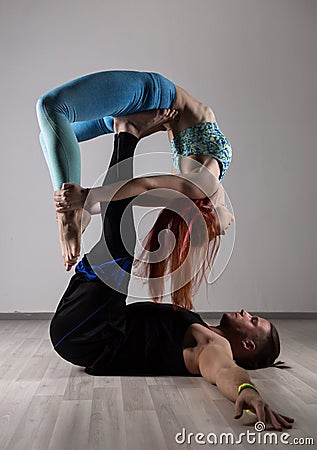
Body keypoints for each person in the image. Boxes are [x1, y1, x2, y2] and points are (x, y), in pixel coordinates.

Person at [50, 129, 293, 432]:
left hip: (89, 336)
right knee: (117, 245)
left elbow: (226, 372)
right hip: (83, 325)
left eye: (254, 320)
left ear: (247, 344)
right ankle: (122, 141)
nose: (246, 312)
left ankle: (126, 134)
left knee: (121, 246)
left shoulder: (213, 346)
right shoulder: (202, 327)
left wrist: (248, 392)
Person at [36, 70, 233, 277]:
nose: (223, 229)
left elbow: (134, 194)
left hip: (135, 113)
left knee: (49, 136)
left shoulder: (191, 189)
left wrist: (87, 205)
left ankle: (74, 213)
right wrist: (86, 196)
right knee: (50, 108)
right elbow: (146, 184)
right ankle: (68, 216)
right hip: (153, 94)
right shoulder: (204, 184)